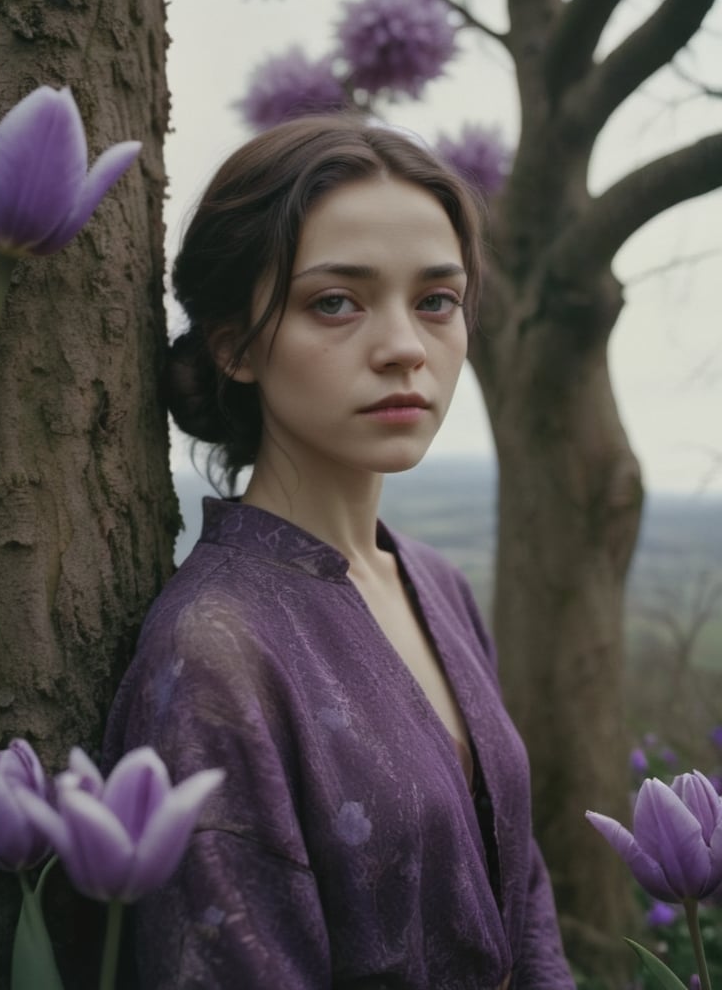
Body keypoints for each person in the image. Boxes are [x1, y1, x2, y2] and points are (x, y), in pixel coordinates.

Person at [103, 115, 574, 989]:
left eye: (436, 300)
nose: (404, 348)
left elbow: (526, 901)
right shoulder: (214, 652)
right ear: (235, 346)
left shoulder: (434, 583)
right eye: (336, 301)